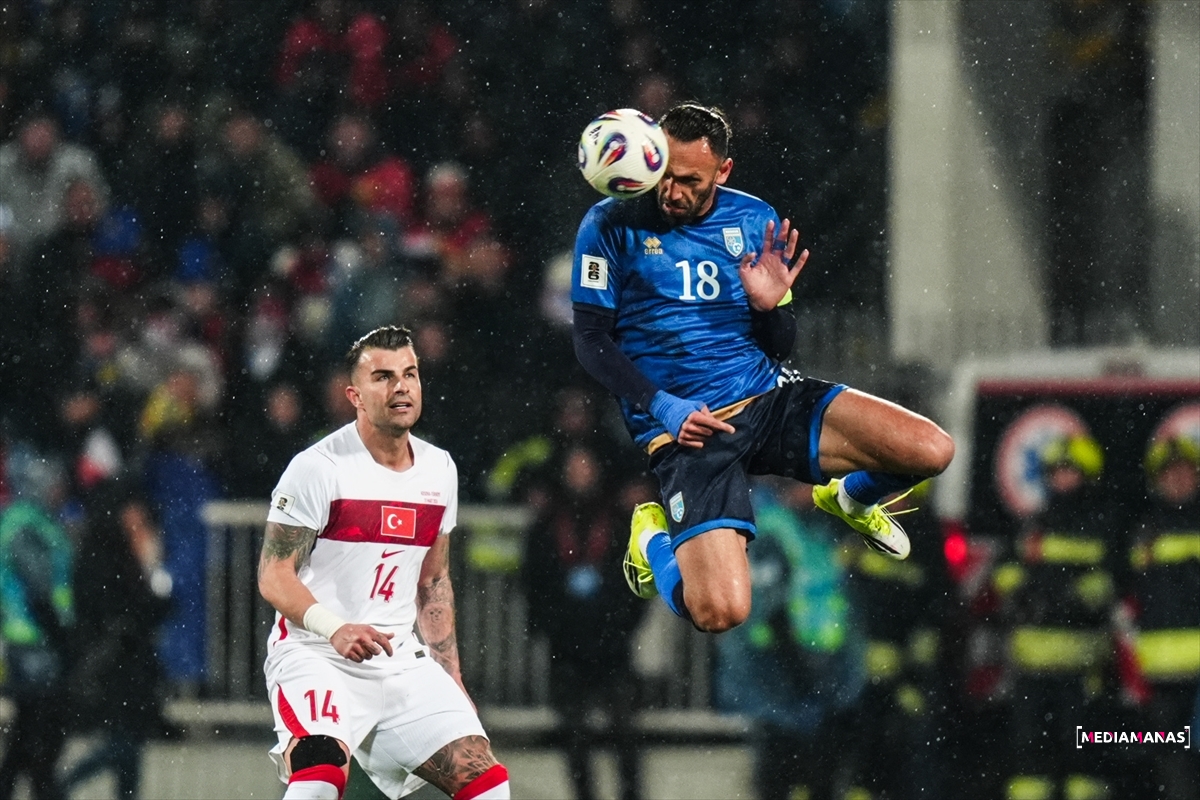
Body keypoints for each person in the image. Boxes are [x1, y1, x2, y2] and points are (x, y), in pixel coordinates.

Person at [571, 102, 954, 632]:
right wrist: (663, 407)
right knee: (719, 612)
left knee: (932, 450)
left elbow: (781, 344)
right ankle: (652, 539)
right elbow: (590, 340)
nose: (673, 192)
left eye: (691, 181)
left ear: (723, 171)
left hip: (768, 398)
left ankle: (850, 498)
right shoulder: (609, 223)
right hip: (690, 427)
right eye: (666, 176)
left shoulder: (755, 221)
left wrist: (768, 307)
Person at [257, 325, 510, 800]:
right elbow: (273, 575)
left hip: (398, 661)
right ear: (354, 396)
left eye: (410, 374)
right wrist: (335, 627)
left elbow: (433, 580)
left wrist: (449, 674)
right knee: (320, 777)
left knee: (488, 785)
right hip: (316, 654)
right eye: (383, 377)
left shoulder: (439, 469)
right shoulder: (318, 467)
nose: (401, 387)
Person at [520, 444, 648, 800]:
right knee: (574, 732)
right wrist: (551, 626)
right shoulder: (547, 522)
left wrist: (621, 625)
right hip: (566, 645)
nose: (580, 474)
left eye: (586, 466)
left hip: (612, 644)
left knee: (625, 729)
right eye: (573, 467)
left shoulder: (618, 520)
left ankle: (631, 794)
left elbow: (637, 581)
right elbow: (534, 582)